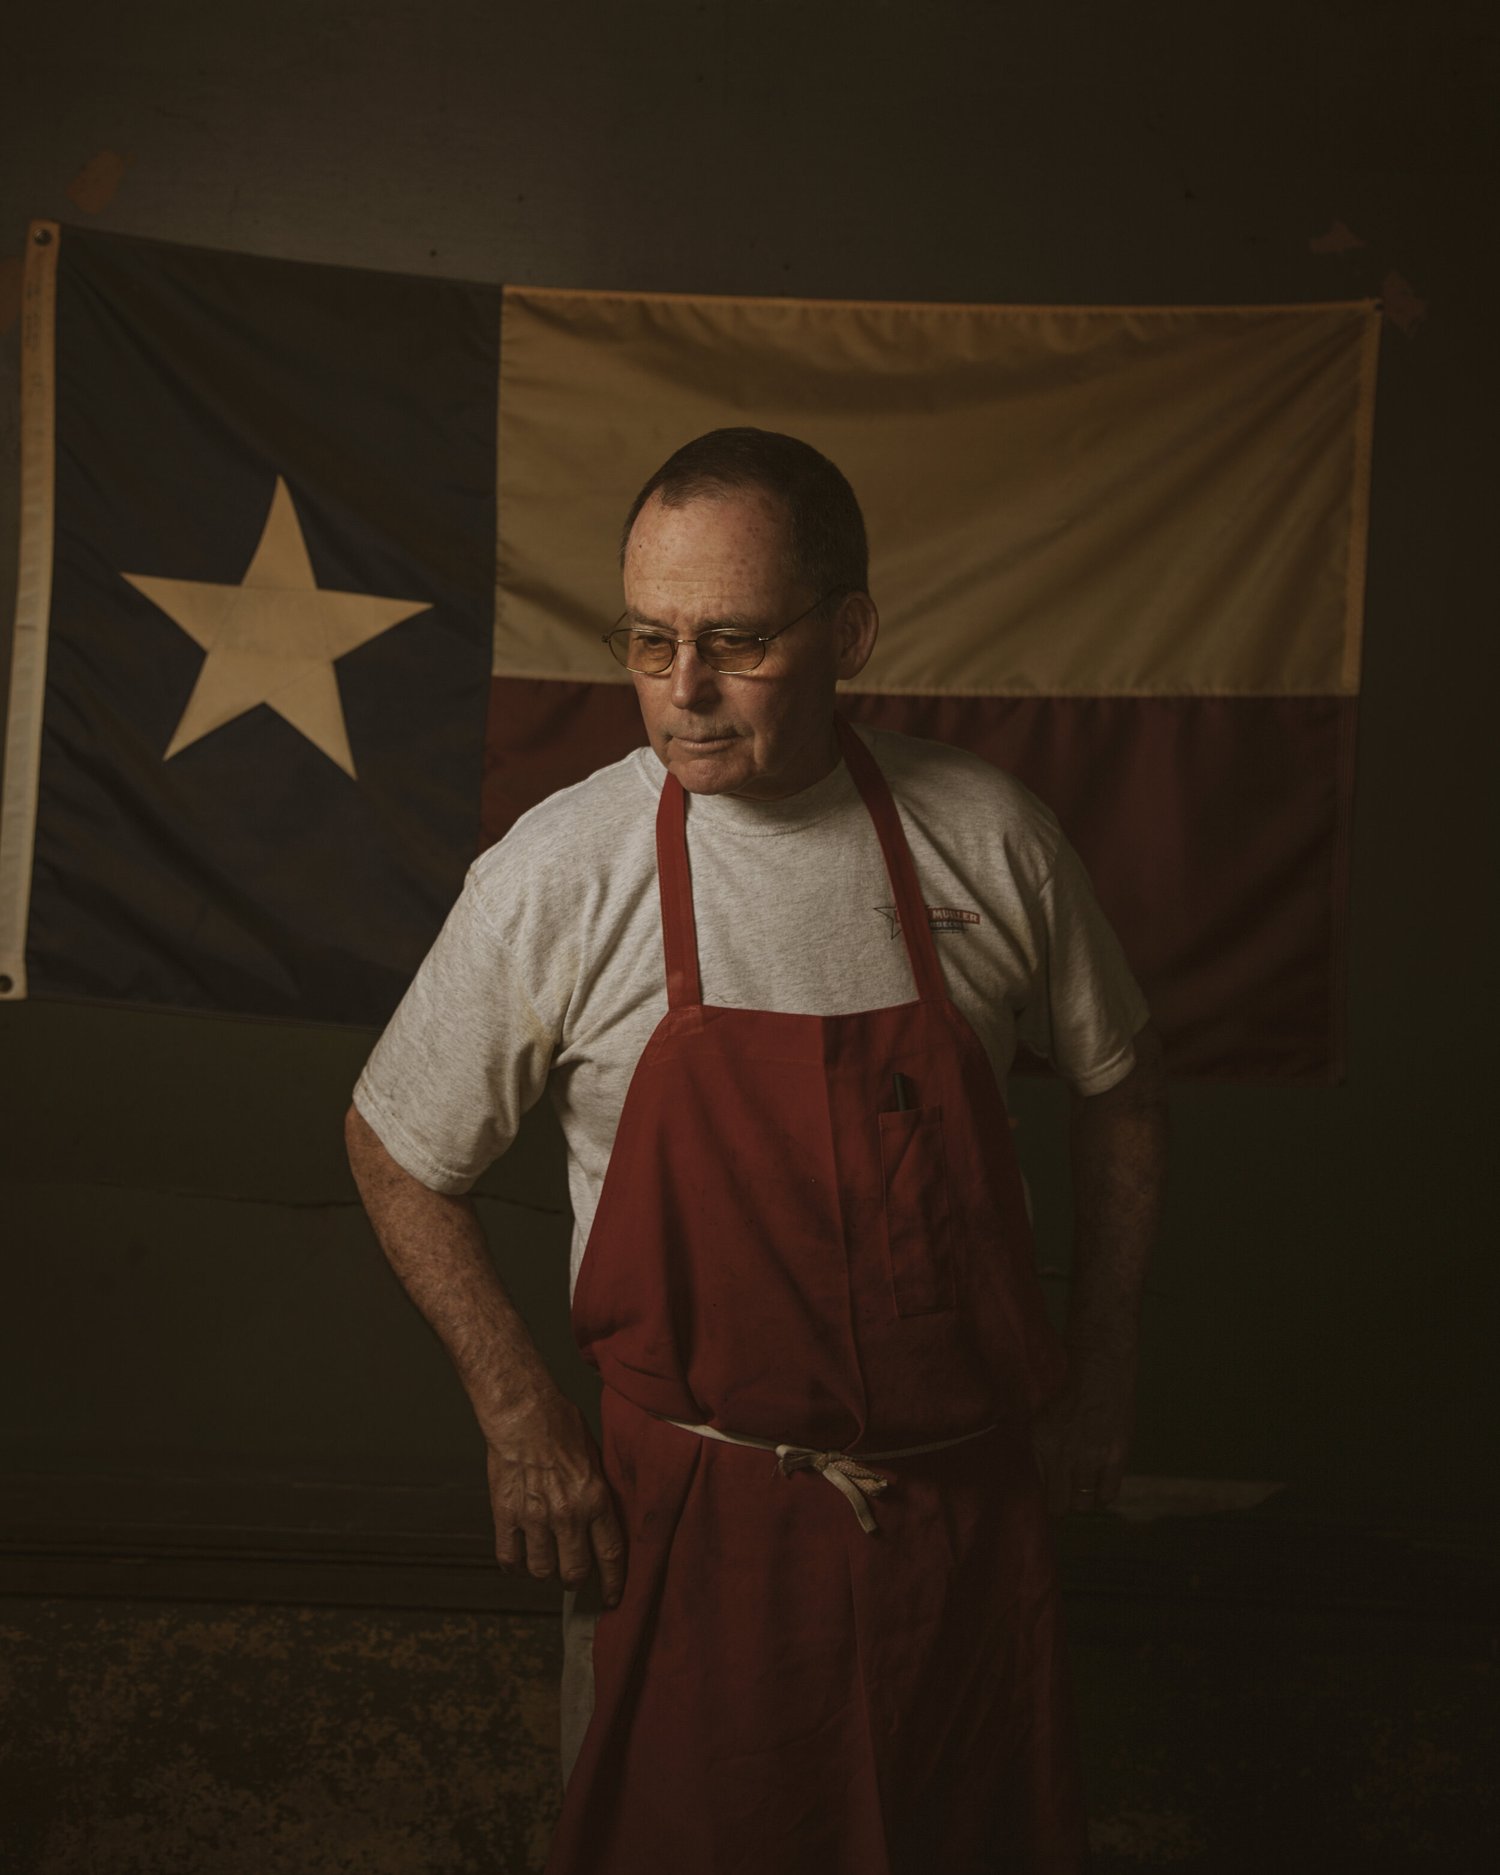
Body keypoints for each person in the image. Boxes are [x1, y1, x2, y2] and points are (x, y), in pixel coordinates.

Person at [346, 428, 1168, 1874]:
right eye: (648, 641)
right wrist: (519, 1412)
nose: (685, 689)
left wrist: (1100, 1375)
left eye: (736, 641)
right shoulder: (561, 870)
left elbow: (1124, 1094)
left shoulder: (990, 838)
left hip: (968, 1525)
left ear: (848, 635)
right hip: (689, 1524)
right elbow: (393, 1147)